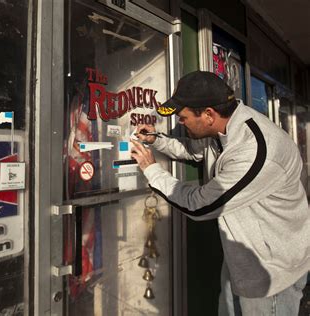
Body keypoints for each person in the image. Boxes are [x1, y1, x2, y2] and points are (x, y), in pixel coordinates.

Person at [130, 71, 309, 315]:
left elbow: (199, 205)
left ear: (208, 115)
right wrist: (156, 140)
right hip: (242, 258)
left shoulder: (254, 150)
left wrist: (152, 171)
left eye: (182, 118)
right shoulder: (223, 127)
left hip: (271, 273)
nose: (180, 123)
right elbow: (194, 150)